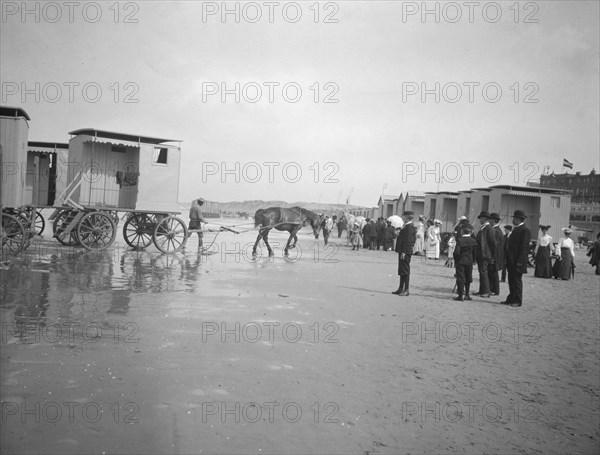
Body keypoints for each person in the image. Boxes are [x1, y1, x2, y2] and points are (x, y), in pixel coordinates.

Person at [503, 210, 531, 307]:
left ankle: (518, 300)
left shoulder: (524, 230)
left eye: (514, 218)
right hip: (511, 261)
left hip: (517, 261)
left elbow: (523, 248)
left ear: (519, 219)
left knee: (517, 281)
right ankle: (511, 298)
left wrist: (519, 261)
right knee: (511, 280)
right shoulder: (516, 229)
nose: (513, 220)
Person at [392, 211, 417, 296]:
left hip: (405, 251)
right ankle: (400, 288)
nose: (402, 218)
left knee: (405, 270)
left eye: (403, 216)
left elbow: (408, 240)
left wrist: (404, 252)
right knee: (402, 270)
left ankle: (406, 289)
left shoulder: (409, 227)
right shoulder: (406, 226)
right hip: (403, 250)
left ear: (406, 217)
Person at [474, 211, 496, 298]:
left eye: (481, 218)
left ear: (484, 218)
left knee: (483, 272)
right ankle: (482, 290)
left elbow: (492, 243)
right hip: (481, 253)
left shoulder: (489, 228)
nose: (480, 220)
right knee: (481, 272)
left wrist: (492, 255)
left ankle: (486, 291)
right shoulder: (483, 228)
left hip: (485, 254)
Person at [453, 226, 478, 301]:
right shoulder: (473, 241)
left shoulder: (460, 240)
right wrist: (474, 260)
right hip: (469, 261)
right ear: (469, 233)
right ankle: (467, 294)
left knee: (460, 278)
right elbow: (475, 252)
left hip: (461, 261)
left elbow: (456, 252)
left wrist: (456, 260)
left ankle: (460, 295)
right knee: (468, 277)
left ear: (462, 232)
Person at [488, 213, 504, 295]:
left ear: (493, 220)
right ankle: (492, 289)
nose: (489, 221)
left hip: (495, 256)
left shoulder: (496, 231)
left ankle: (494, 290)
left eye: (490, 219)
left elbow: (496, 246)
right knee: (492, 273)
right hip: (495, 255)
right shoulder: (497, 230)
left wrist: (493, 257)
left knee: (493, 273)